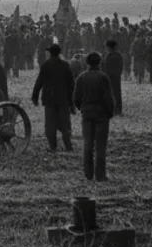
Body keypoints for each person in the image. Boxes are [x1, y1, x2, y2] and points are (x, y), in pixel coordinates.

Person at [73, 51, 114, 181]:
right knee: (100, 146)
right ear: (99, 62)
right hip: (101, 114)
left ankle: (88, 174)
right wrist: (109, 112)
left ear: (87, 63)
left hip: (87, 113)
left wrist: (82, 108)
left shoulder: (81, 77)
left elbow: (76, 98)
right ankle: (100, 175)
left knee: (88, 144)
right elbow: (109, 98)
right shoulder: (103, 77)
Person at [31, 43, 75, 152]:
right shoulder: (65, 65)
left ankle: (53, 147)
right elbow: (71, 84)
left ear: (49, 53)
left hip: (49, 99)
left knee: (50, 124)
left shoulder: (46, 65)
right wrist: (72, 102)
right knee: (65, 123)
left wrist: (35, 96)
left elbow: (39, 82)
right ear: (59, 53)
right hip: (63, 99)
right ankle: (68, 146)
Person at [103, 39, 124, 117]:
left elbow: (119, 67)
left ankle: (117, 110)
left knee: (116, 93)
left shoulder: (115, 56)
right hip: (109, 77)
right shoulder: (111, 55)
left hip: (114, 77)